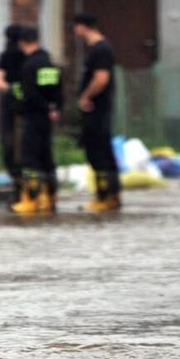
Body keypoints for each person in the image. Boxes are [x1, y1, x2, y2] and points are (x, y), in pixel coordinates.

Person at [11, 26, 63, 216]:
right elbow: (58, 89)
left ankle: (31, 200)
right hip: (49, 116)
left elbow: (30, 94)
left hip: (33, 115)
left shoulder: (29, 65)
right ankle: (49, 198)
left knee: (30, 157)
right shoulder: (49, 62)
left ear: (22, 43)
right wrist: (54, 108)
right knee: (46, 156)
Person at [73, 13, 121, 213]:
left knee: (97, 151)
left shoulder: (100, 49)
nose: (75, 31)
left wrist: (86, 96)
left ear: (83, 27)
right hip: (98, 108)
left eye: (76, 26)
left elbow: (101, 78)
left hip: (97, 109)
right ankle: (112, 196)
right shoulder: (98, 49)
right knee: (102, 151)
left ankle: (104, 197)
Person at [0, 23, 26, 195]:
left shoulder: (5, 56)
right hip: (22, 106)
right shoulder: (27, 55)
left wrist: (10, 89)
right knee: (19, 143)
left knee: (11, 143)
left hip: (11, 105)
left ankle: (18, 181)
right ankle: (23, 183)